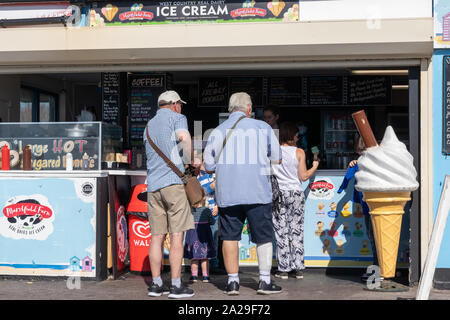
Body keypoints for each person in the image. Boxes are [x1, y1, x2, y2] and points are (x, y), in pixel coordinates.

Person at [204, 92, 283, 295]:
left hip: (228, 193)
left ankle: (232, 282)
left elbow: (209, 165)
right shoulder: (263, 127)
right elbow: (277, 158)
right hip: (257, 192)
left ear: (230, 109)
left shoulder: (217, 131)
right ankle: (265, 281)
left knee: (230, 237)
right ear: (249, 109)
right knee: (263, 237)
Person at [144, 90, 196, 299]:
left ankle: (156, 285)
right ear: (174, 104)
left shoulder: (148, 126)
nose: (181, 107)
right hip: (173, 184)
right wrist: (192, 160)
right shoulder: (177, 118)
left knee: (156, 236)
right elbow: (184, 137)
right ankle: (175, 285)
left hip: (153, 187)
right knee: (177, 235)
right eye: (180, 104)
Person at [271, 121, 319, 280]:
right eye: (296, 135)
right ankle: (298, 268)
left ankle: (283, 269)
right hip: (296, 194)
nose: (298, 137)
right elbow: (303, 177)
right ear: (290, 135)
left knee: (281, 232)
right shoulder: (299, 152)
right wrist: (315, 165)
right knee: (296, 230)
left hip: (279, 195)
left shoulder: (272, 151)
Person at [337, 135, 379, 283]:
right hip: (373, 203)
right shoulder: (375, 160)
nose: (361, 155)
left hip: (370, 204)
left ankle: (378, 269)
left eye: (361, 151)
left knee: (375, 238)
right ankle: (377, 268)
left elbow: (347, 180)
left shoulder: (363, 161)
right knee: (376, 238)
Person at [184, 192, 217, 283]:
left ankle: (194, 276)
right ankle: (205, 276)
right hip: (204, 236)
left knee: (194, 257)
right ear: (203, 198)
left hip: (192, 235)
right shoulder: (206, 210)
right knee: (205, 257)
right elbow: (212, 222)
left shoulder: (190, 210)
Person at [196, 158, 220, 271]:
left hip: (214, 214)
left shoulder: (214, 176)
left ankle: (214, 264)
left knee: (214, 239)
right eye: (205, 163)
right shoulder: (198, 179)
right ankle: (203, 265)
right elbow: (200, 193)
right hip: (203, 215)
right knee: (203, 240)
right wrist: (211, 187)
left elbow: (220, 193)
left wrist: (218, 206)